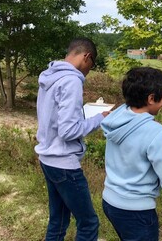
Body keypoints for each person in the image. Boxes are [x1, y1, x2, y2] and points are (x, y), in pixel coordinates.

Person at [101, 67, 162, 241]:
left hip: (110, 202)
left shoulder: (115, 119)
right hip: (136, 212)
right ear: (150, 99)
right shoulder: (155, 132)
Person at [35, 38, 108, 241]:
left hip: (47, 157)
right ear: (87, 57)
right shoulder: (72, 81)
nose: (88, 72)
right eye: (91, 67)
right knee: (89, 223)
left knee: (58, 220)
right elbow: (68, 131)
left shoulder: (49, 76)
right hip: (64, 163)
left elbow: (51, 117)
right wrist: (99, 119)